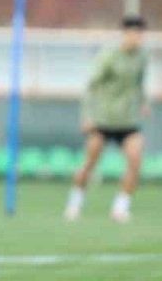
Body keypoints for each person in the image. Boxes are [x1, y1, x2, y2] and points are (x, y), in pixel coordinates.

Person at [64, 16, 149, 223]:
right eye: (135, 34)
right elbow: (91, 87)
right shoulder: (109, 57)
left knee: (135, 161)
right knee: (90, 164)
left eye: (141, 34)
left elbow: (139, 83)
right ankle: (75, 203)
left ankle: (120, 208)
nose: (138, 38)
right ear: (126, 34)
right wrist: (87, 116)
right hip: (103, 120)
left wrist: (143, 102)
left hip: (128, 121)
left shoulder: (141, 58)